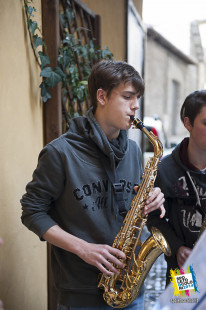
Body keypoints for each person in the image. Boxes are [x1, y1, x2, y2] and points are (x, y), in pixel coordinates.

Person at [21, 60, 165, 310]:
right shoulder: (59, 153)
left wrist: (151, 197)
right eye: (128, 96)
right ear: (102, 96)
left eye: (138, 97)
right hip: (82, 294)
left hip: (131, 288)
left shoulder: (132, 149)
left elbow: (130, 201)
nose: (136, 106)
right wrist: (83, 248)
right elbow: (31, 212)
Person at [147, 90, 206, 286]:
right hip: (183, 271)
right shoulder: (164, 170)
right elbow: (153, 218)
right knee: (184, 306)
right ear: (188, 123)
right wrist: (177, 247)